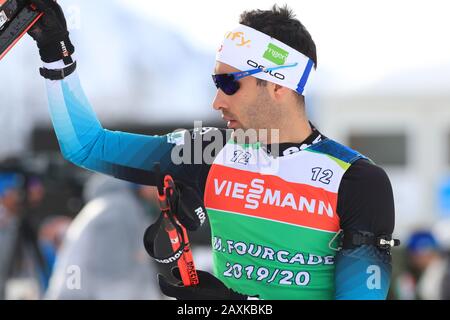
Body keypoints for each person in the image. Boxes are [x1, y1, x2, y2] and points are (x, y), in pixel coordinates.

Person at [25, 1, 397, 299]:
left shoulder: (357, 180)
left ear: (278, 86)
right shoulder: (208, 152)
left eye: (228, 83)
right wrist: (54, 52)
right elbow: (88, 146)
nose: (216, 100)